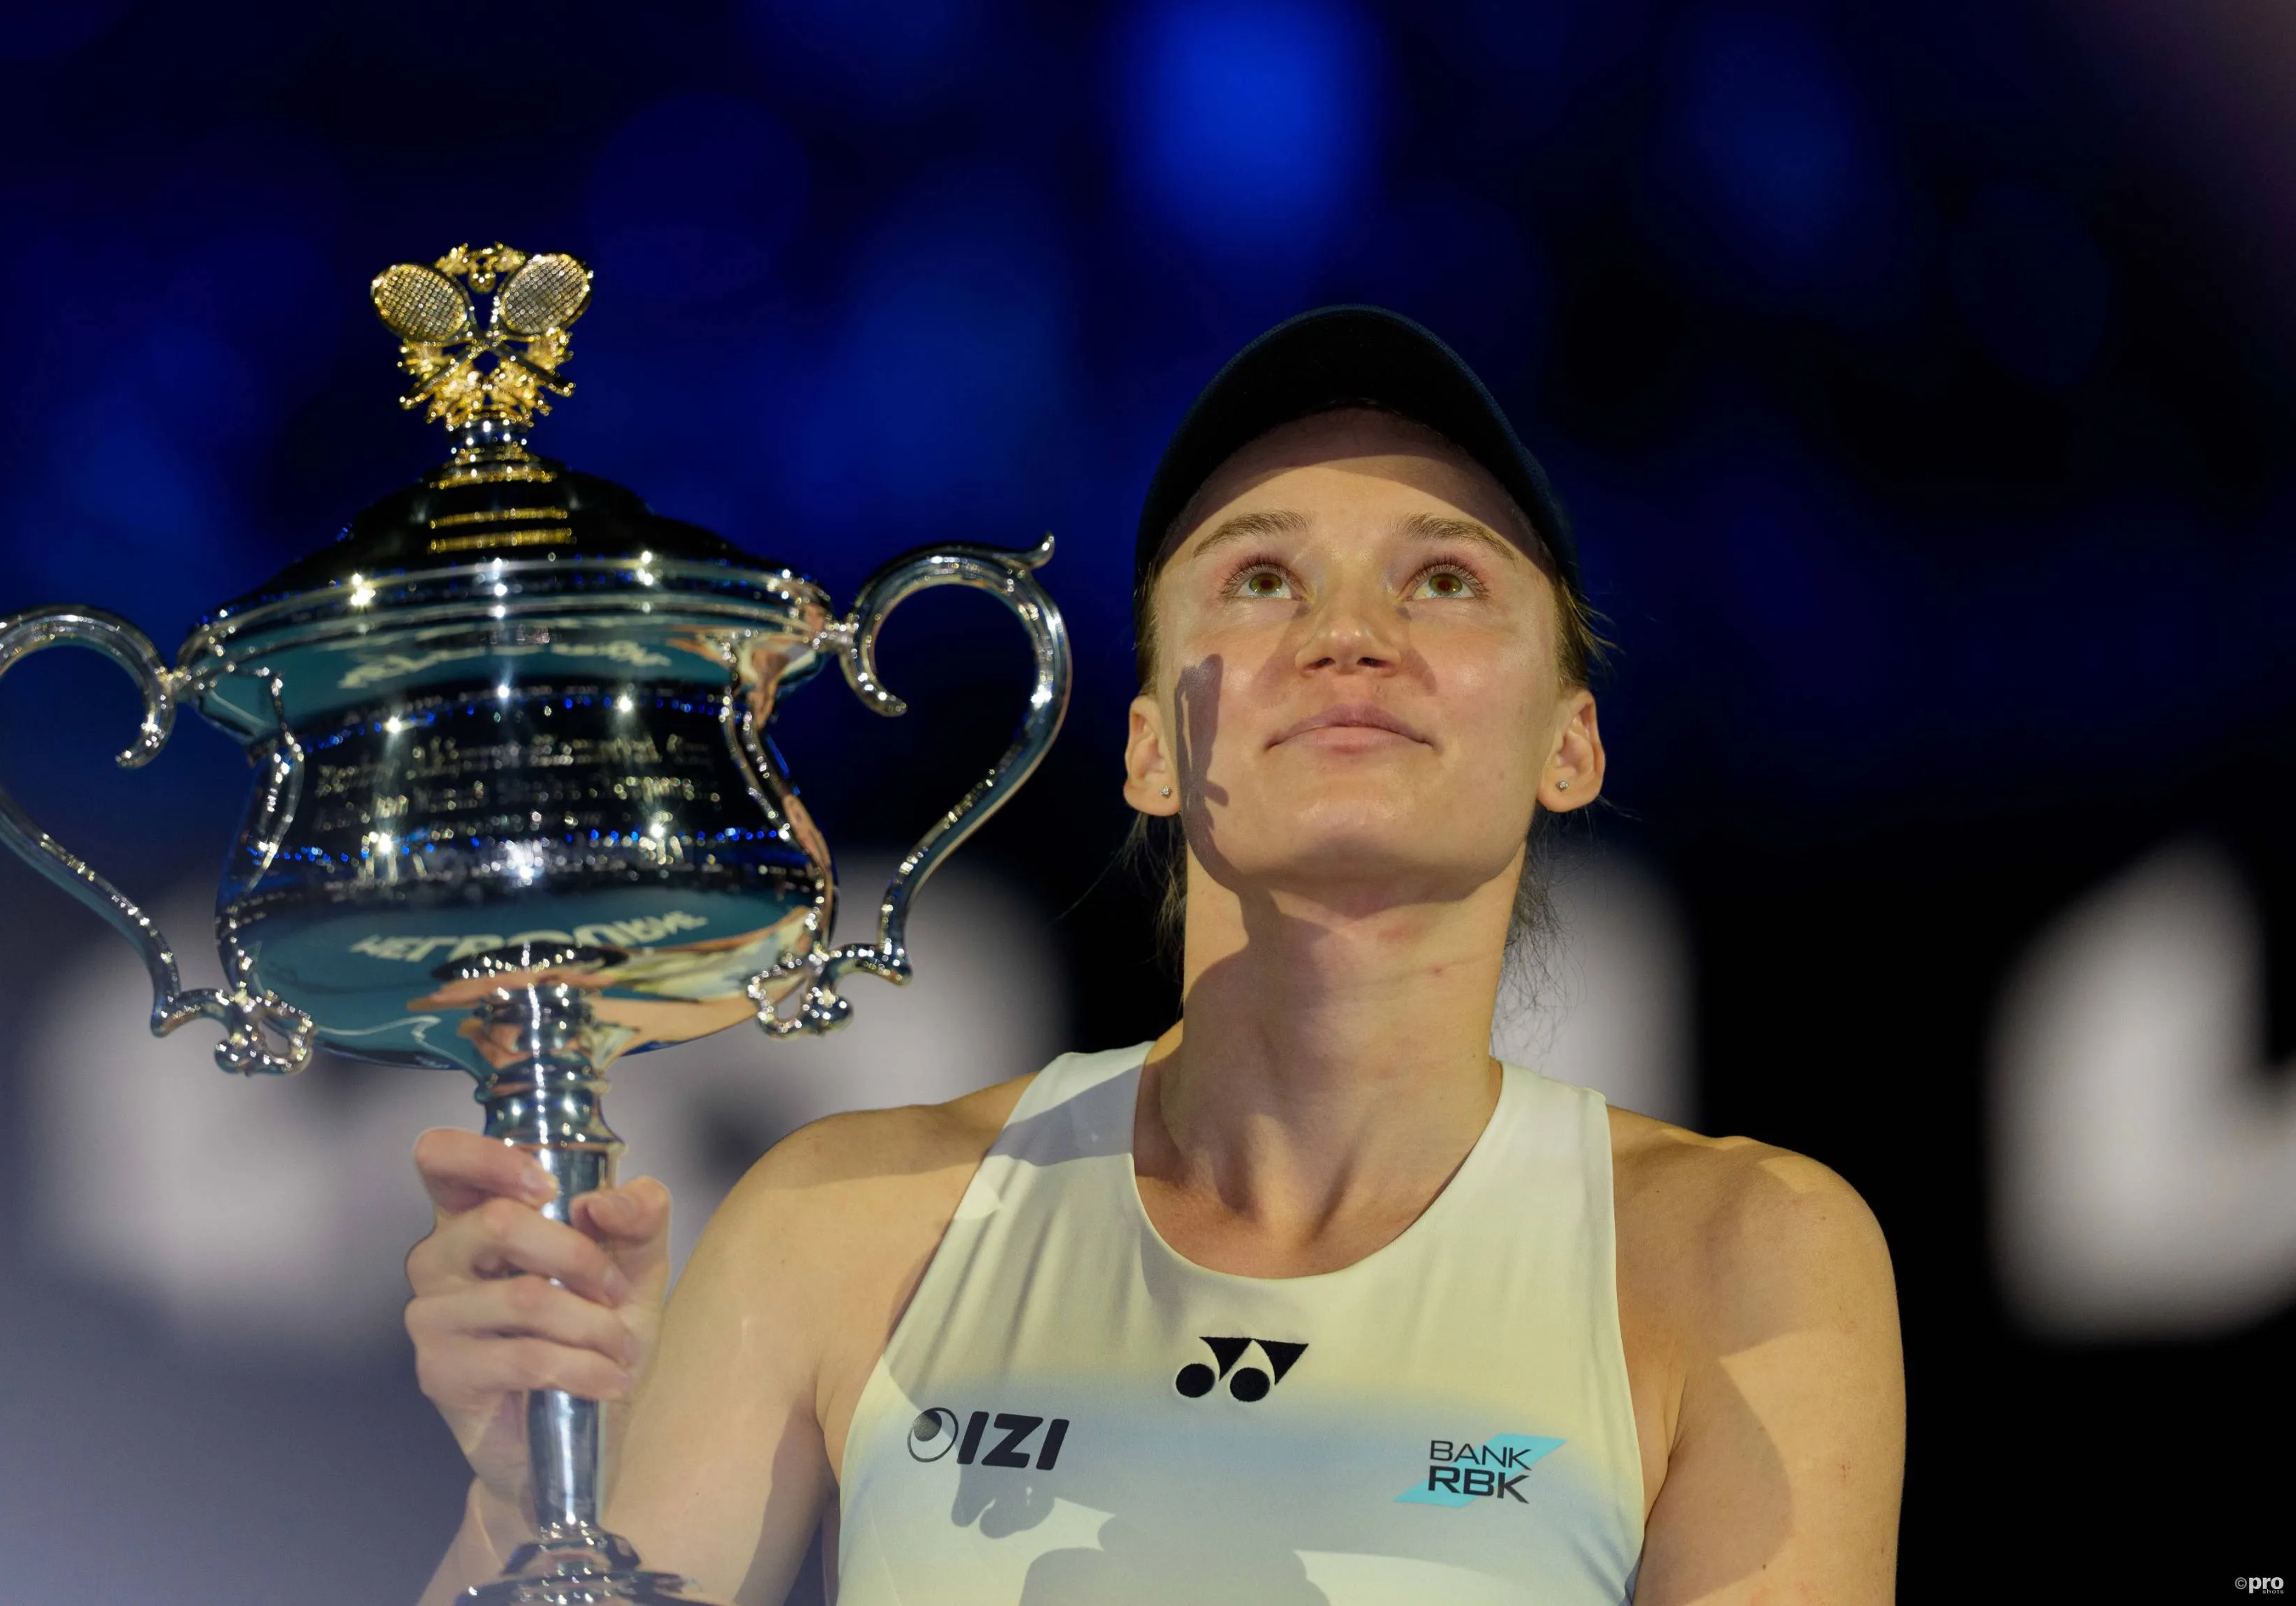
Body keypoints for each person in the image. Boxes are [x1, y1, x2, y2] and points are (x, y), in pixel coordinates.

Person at [402, 308, 1905, 1605]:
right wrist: (524, 1498)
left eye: (1445, 578)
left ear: (1570, 740)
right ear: (1146, 749)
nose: (1350, 632)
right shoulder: (844, 1227)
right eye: (1260, 578)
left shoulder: (1741, 1257)